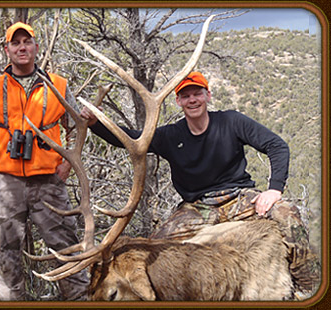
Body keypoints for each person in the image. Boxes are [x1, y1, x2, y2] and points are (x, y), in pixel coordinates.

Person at [80, 71, 320, 297]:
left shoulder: (231, 121)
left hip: (238, 197)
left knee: (287, 214)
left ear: (208, 96)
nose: (192, 100)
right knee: (155, 251)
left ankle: (307, 287)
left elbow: (277, 146)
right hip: (198, 207)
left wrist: (274, 189)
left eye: (197, 94)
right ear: (178, 101)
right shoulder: (170, 135)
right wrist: (95, 124)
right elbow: (129, 138)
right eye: (186, 96)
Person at [0, 22, 88, 301]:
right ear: (6, 50)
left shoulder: (58, 85)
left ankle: (80, 300)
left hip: (49, 180)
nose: (22, 47)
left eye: (27, 42)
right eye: (16, 43)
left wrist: (67, 165)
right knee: (6, 254)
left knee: (66, 248)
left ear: (36, 47)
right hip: (5, 184)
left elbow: (75, 128)